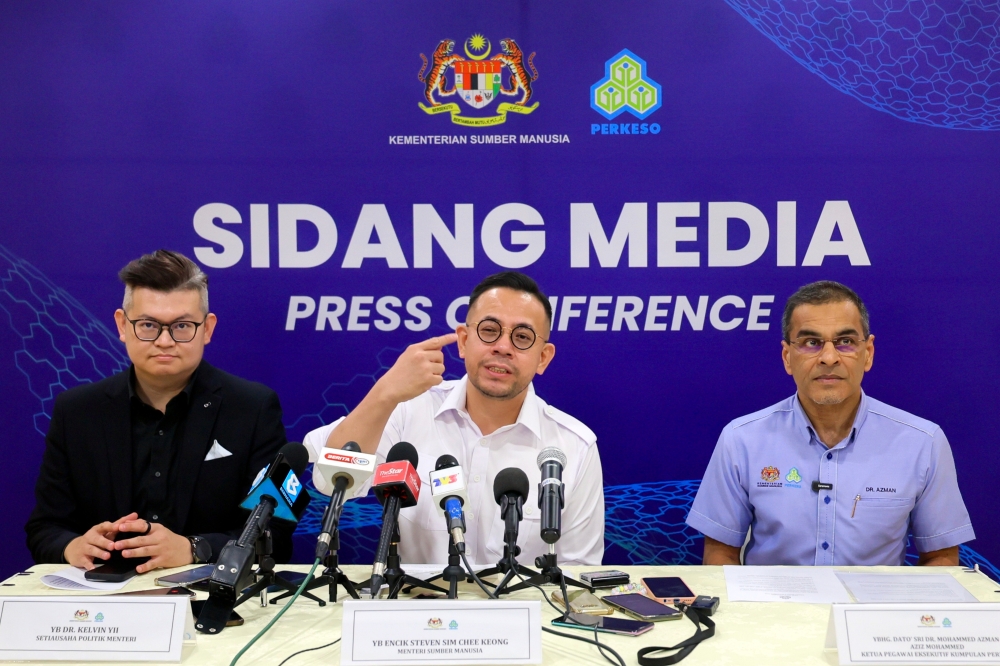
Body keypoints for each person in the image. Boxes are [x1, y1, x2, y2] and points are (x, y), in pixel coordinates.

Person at [305, 271, 604, 566]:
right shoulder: (408, 410)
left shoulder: (574, 446)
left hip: (522, 610)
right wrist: (385, 393)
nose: (502, 347)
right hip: (418, 608)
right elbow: (329, 481)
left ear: (543, 358)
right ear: (463, 341)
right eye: (489, 330)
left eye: (522, 337)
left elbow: (577, 572)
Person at [25, 250, 290, 572]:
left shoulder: (256, 407)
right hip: (103, 601)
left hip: (209, 598)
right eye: (148, 325)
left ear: (207, 329)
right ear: (122, 325)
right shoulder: (77, 411)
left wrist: (194, 548)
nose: (165, 341)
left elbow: (277, 532)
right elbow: (44, 529)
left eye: (181, 326)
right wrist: (72, 546)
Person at [686, 280, 975, 566]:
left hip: (871, 612)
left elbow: (941, 557)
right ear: (788, 357)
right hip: (774, 611)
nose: (828, 357)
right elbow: (720, 554)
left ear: (868, 353)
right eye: (811, 343)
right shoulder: (741, 440)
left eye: (845, 342)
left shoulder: (922, 442)